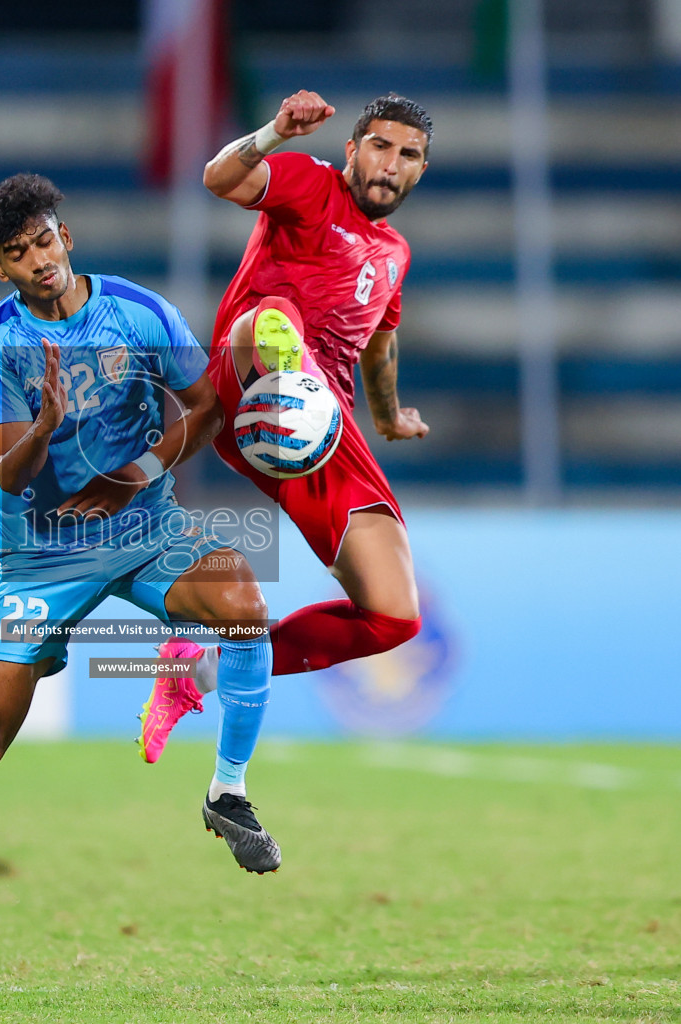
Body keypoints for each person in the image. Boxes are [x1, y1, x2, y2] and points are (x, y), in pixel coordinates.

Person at [0, 174, 279, 1002]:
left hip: (143, 521)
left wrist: (142, 471)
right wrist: (45, 427)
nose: (38, 261)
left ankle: (227, 792)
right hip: (41, 550)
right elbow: (7, 469)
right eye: (17, 254)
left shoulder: (139, 313)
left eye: (45, 241)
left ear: (67, 236)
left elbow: (204, 407)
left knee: (245, 607)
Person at [138, 90, 434, 762]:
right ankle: (284, 360)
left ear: (420, 171)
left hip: (323, 428)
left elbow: (380, 345)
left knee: (394, 616)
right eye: (380, 147)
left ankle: (198, 670)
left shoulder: (394, 254)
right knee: (271, 318)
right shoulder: (311, 184)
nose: (391, 164)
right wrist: (274, 132)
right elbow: (220, 178)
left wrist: (388, 417)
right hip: (246, 381)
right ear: (353, 149)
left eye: (408, 155)